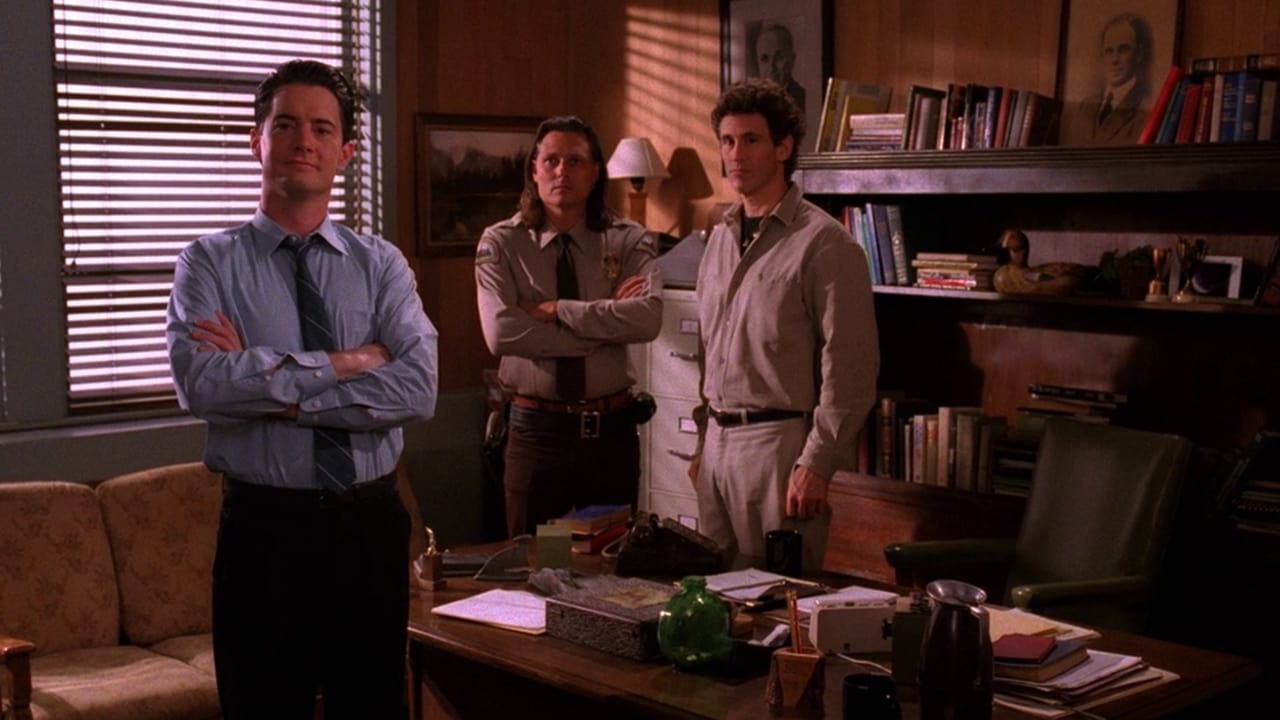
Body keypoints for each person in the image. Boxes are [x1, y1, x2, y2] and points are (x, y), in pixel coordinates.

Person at [166, 59, 439, 719]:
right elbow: (203, 384)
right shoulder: (207, 263)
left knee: (372, 709)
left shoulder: (380, 265)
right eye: (285, 125)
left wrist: (276, 392)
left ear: (346, 152)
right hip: (265, 532)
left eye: (322, 129)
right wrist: (349, 362)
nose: (303, 141)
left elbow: (418, 388)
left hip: (369, 526)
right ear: (256, 141)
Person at [689, 78, 879, 572]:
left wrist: (818, 461)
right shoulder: (720, 238)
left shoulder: (825, 244)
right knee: (712, 595)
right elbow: (710, 350)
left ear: (783, 147)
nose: (736, 154)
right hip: (717, 446)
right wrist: (702, 444)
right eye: (727, 141)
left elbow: (851, 367)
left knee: (774, 598)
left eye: (750, 140)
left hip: (776, 446)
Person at [475, 115, 662, 537]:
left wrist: (556, 309)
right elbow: (501, 333)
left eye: (575, 161)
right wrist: (600, 328)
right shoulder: (503, 243)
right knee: (542, 562)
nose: (562, 171)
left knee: (609, 564)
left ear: (595, 172)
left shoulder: (627, 240)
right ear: (534, 170)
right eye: (552, 160)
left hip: (610, 436)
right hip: (538, 436)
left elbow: (647, 318)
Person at [1069, 12, 1153, 145]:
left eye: (1123, 49)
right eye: (1109, 51)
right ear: (1102, 56)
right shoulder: (1085, 107)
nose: (1115, 60)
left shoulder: (1146, 108)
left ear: (1139, 54)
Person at [754, 23, 806, 114]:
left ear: (792, 60)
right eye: (764, 58)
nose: (771, 67)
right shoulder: (751, 103)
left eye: (779, 57)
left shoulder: (804, 100)